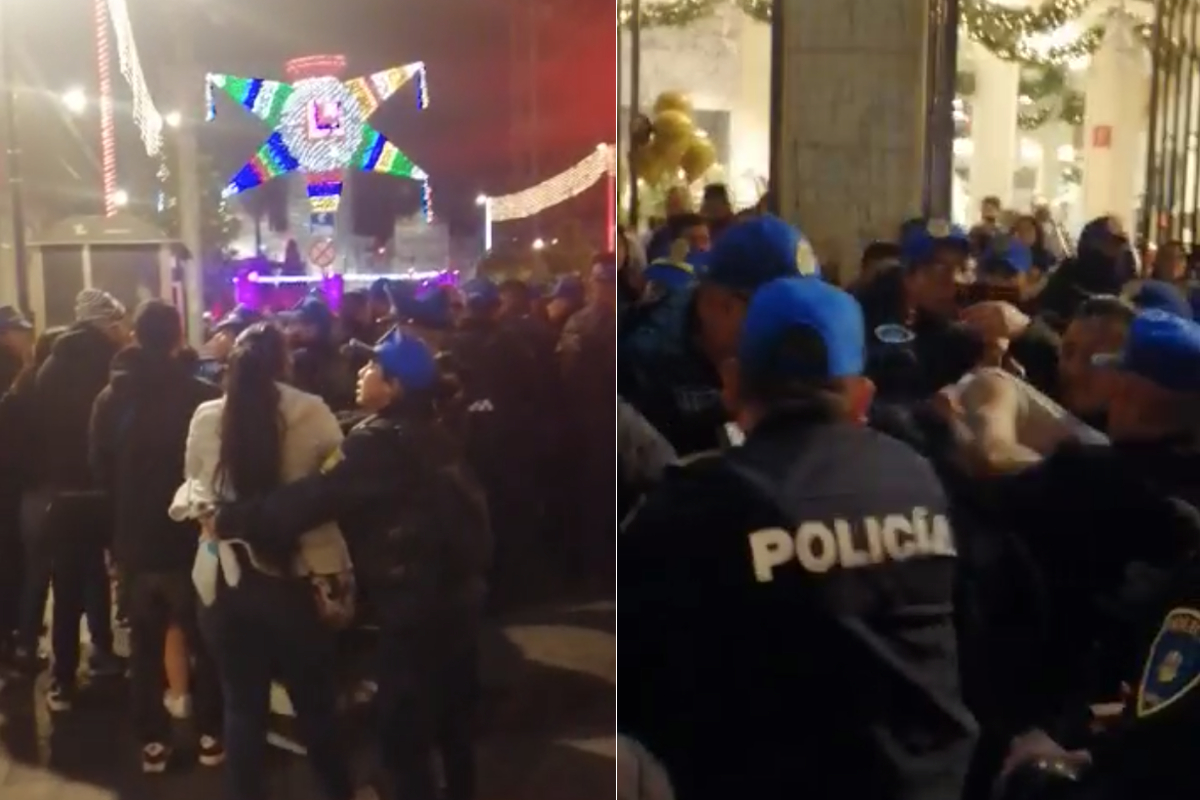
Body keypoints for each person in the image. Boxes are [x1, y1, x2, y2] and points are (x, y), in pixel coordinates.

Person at [621, 276, 976, 800]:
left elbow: (637, 680)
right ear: (862, 396)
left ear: (733, 382)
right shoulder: (921, 478)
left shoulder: (694, 504)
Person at [214, 330, 491, 800]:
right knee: (452, 731)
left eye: (372, 369)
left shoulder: (377, 445)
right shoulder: (432, 429)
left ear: (396, 387)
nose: (360, 374)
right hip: (460, 601)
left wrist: (234, 518)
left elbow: (313, 498)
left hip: (412, 609)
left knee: (404, 740)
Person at [996, 311, 1200, 800]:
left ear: (1129, 391)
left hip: (1070, 717)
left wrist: (994, 397)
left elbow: (987, 468)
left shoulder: (1084, 477)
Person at [174, 322, 357, 800]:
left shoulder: (205, 416)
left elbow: (194, 483)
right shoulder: (311, 412)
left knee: (242, 708)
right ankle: (339, 792)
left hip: (225, 579)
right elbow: (338, 485)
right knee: (316, 706)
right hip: (298, 578)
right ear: (283, 363)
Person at [88, 300, 224, 771]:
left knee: (144, 647)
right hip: (192, 537)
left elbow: (99, 469)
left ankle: (153, 742)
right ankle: (210, 734)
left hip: (134, 540)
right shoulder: (200, 396)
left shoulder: (111, 398)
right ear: (177, 336)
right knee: (203, 639)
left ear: (134, 337)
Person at [32, 289, 129, 710]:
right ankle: (104, 652)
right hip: (103, 488)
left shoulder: (49, 367)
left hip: (63, 492)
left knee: (68, 582)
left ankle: (63, 676)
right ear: (105, 325)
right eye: (119, 324)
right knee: (101, 573)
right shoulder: (112, 366)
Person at [0, 305, 33, 659]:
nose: (25, 336)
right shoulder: (12, 372)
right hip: (8, 481)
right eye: (18, 330)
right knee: (11, 558)